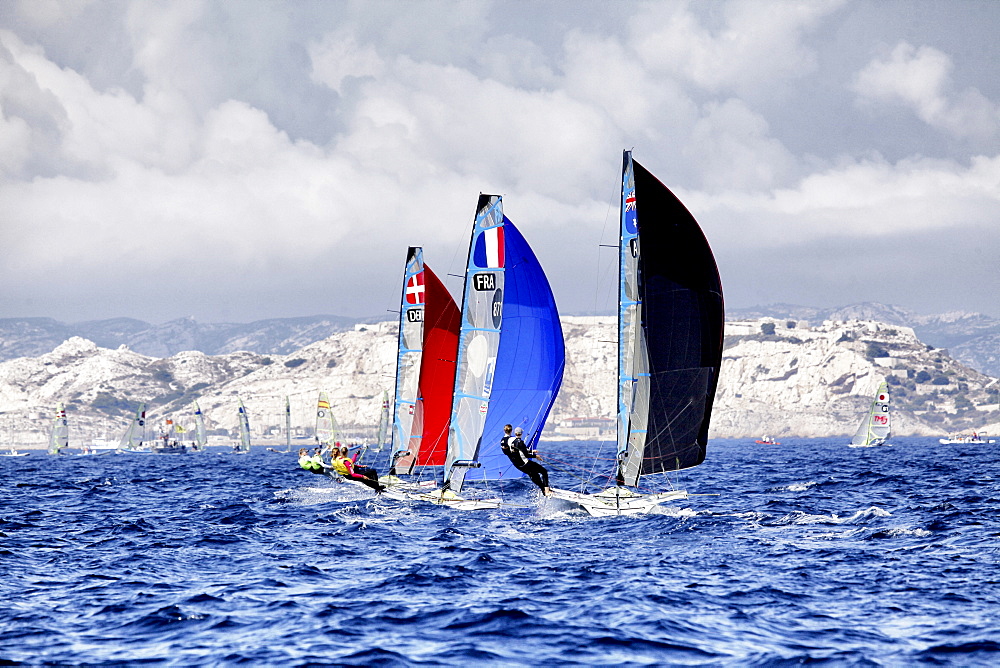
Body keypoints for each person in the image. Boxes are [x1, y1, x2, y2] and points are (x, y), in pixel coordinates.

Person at [500, 424, 551, 496]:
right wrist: (535, 456)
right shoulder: (516, 440)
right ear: (512, 431)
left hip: (517, 465)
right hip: (525, 463)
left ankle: (544, 491)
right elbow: (524, 454)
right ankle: (547, 490)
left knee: (533, 475)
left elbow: (512, 451)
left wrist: (531, 451)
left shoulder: (503, 440)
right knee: (544, 471)